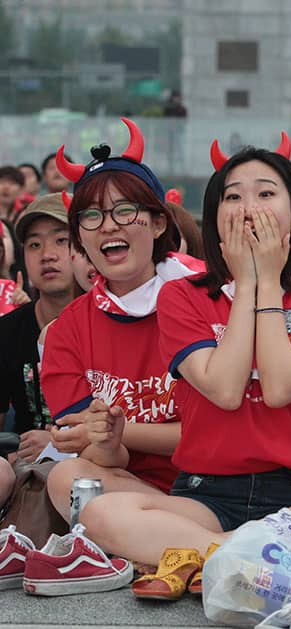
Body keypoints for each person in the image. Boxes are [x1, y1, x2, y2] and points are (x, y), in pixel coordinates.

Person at [79, 139, 291, 577]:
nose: (249, 207)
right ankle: (250, 555)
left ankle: (209, 557)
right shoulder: (181, 296)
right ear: (214, 218)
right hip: (202, 495)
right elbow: (226, 391)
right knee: (102, 513)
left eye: (266, 193)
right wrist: (246, 284)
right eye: (233, 196)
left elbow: (281, 387)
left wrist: (268, 280)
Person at [42, 119, 201, 524]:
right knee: (67, 478)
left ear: (159, 222)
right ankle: (202, 542)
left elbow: (216, 435)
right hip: (134, 490)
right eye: (91, 216)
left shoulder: (210, 300)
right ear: (80, 238)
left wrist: (121, 428)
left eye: (124, 210)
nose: (109, 224)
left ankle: (187, 542)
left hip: (220, 482)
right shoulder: (67, 332)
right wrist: (109, 441)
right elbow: (93, 450)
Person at [0, 195, 81, 464]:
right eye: (34, 244)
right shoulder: (8, 331)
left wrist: (60, 445)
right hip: (26, 468)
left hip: (96, 465)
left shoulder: (111, 324)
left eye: (61, 240)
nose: (47, 255)